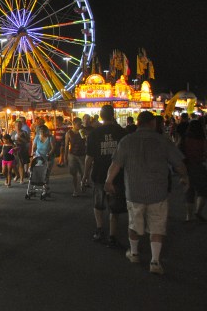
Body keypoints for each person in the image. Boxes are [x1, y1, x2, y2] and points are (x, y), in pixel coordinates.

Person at [105, 111, 189, 275]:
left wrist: (109, 181)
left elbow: (115, 164)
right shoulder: (162, 141)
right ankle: (155, 261)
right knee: (157, 226)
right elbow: (179, 164)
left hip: (134, 191)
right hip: (158, 192)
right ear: (153, 124)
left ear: (138, 123)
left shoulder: (126, 141)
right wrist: (185, 177)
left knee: (134, 224)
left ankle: (134, 253)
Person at [82, 105, 127, 248]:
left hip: (99, 174)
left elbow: (89, 157)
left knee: (98, 204)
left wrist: (85, 175)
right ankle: (113, 235)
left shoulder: (95, 134)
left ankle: (100, 229)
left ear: (101, 116)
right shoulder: (122, 132)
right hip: (117, 175)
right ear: (113, 115)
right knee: (114, 207)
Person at [181, 120, 207, 222]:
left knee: (189, 192)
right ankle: (198, 211)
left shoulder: (184, 139)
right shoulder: (203, 140)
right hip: (200, 167)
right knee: (202, 191)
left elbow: (179, 152)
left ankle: (188, 216)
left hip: (186, 167)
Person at [31, 124, 56, 197]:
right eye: (40, 131)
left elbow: (53, 148)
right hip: (39, 157)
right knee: (39, 172)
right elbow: (34, 147)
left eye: (43, 131)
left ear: (46, 131)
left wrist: (49, 154)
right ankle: (43, 186)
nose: (42, 133)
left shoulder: (50, 137)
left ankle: (45, 188)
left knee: (46, 173)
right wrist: (33, 152)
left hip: (48, 158)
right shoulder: (37, 137)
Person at [64, 117, 86, 197]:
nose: (80, 125)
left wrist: (85, 136)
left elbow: (87, 142)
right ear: (74, 124)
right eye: (79, 124)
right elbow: (66, 145)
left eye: (81, 124)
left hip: (82, 154)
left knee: (83, 172)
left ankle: (82, 184)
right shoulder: (69, 133)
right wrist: (65, 157)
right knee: (74, 173)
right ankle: (75, 189)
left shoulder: (83, 131)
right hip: (72, 154)